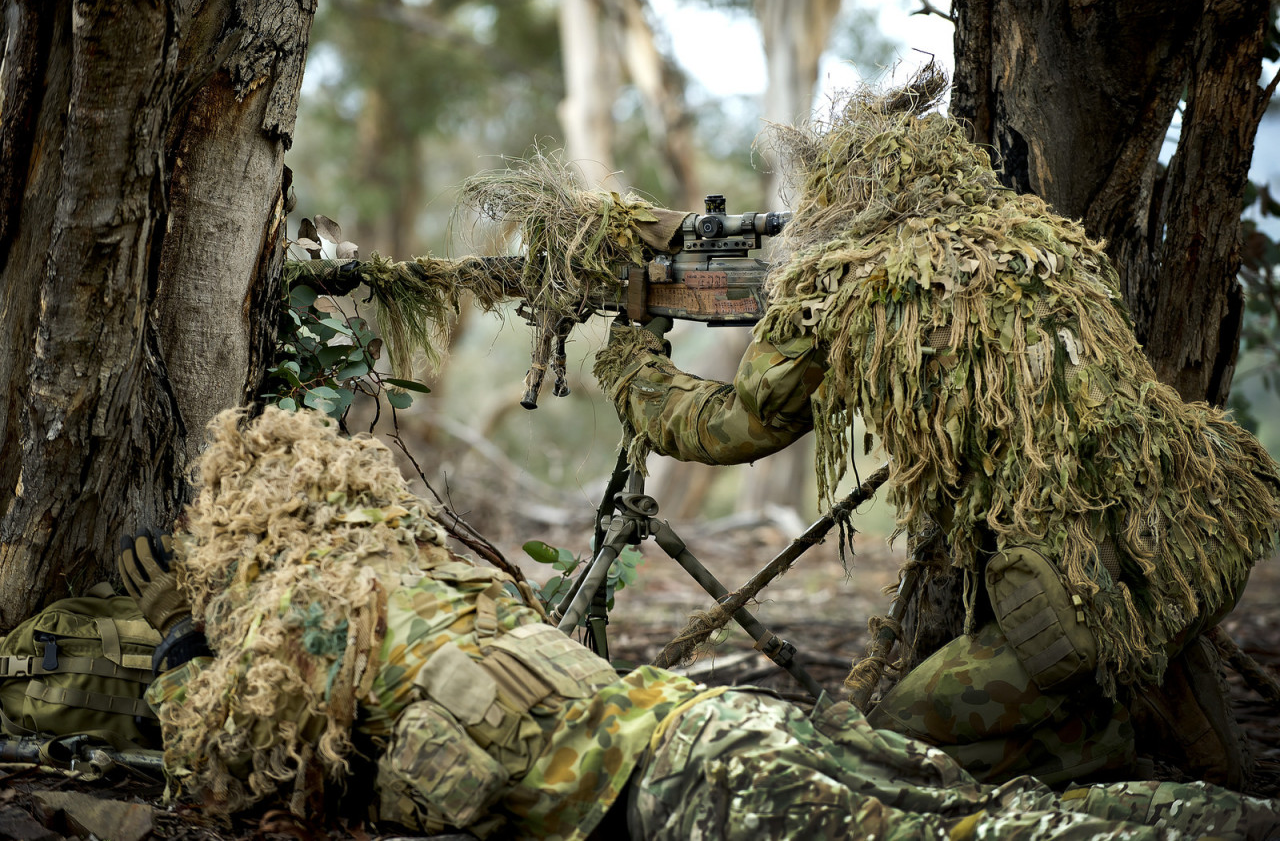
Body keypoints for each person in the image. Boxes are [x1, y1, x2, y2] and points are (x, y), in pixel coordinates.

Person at [119, 407, 1280, 840]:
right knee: (988, 813)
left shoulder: (310, 613)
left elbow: (227, 763)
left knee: (981, 836)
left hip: (679, 785)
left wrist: (179, 648)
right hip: (708, 732)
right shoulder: (425, 568)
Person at [591, 73, 1280, 789]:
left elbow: (734, 428)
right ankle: (1184, 752)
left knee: (897, 741)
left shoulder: (847, 277)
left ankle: (1109, 758)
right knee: (1190, 714)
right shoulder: (1044, 243)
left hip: (1083, 591)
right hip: (1196, 539)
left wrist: (633, 362)